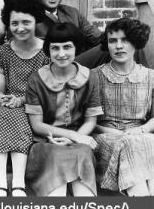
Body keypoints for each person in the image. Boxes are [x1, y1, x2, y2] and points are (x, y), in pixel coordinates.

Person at [25, 22, 103, 196]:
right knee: (57, 155)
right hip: (46, 143)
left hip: (79, 141)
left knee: (82, 153)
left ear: (77, 48)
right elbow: (37, 125)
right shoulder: (36, 80)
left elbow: (91, 120)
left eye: (67, 47)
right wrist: (73, 136)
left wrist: (76, 138)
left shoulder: (90, 77)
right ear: (48, 51)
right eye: (55, 48)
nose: (61, 54)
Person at [0, 0, 49, 197]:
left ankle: (18, 182)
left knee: (21, 118)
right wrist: (5, 100)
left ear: (36, 21)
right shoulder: (1, 52)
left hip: (36, 106)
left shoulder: (47, 52)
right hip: (6, 104)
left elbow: (47, 90)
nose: (20, 28)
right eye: (14, 23)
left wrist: (22, 100)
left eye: (26, 22)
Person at [93, 18, 154, 196]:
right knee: (129, 143)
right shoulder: (94, 76)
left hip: (141, 135)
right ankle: (143, 200)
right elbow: (87, 120)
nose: (119, 46)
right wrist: (118, 133)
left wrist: (141, 130)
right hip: (106, 137)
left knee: (143, 142)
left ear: (136, 42)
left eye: (125, 40)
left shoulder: (150, 76)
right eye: (113, 41)